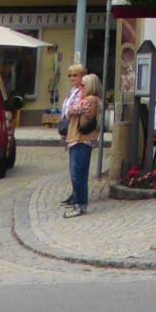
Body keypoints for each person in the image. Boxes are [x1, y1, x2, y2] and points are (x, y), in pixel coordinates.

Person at [61, 65, 100, 217]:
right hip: (79, 139)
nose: (80, 87)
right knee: (79, 173)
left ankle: (80, 205)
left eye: (83, 85)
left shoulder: (89, 100)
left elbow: (71, 110)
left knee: (77, 173)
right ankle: (78, 202)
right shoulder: (89, 99)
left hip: (80, 139)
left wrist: (71, 109)